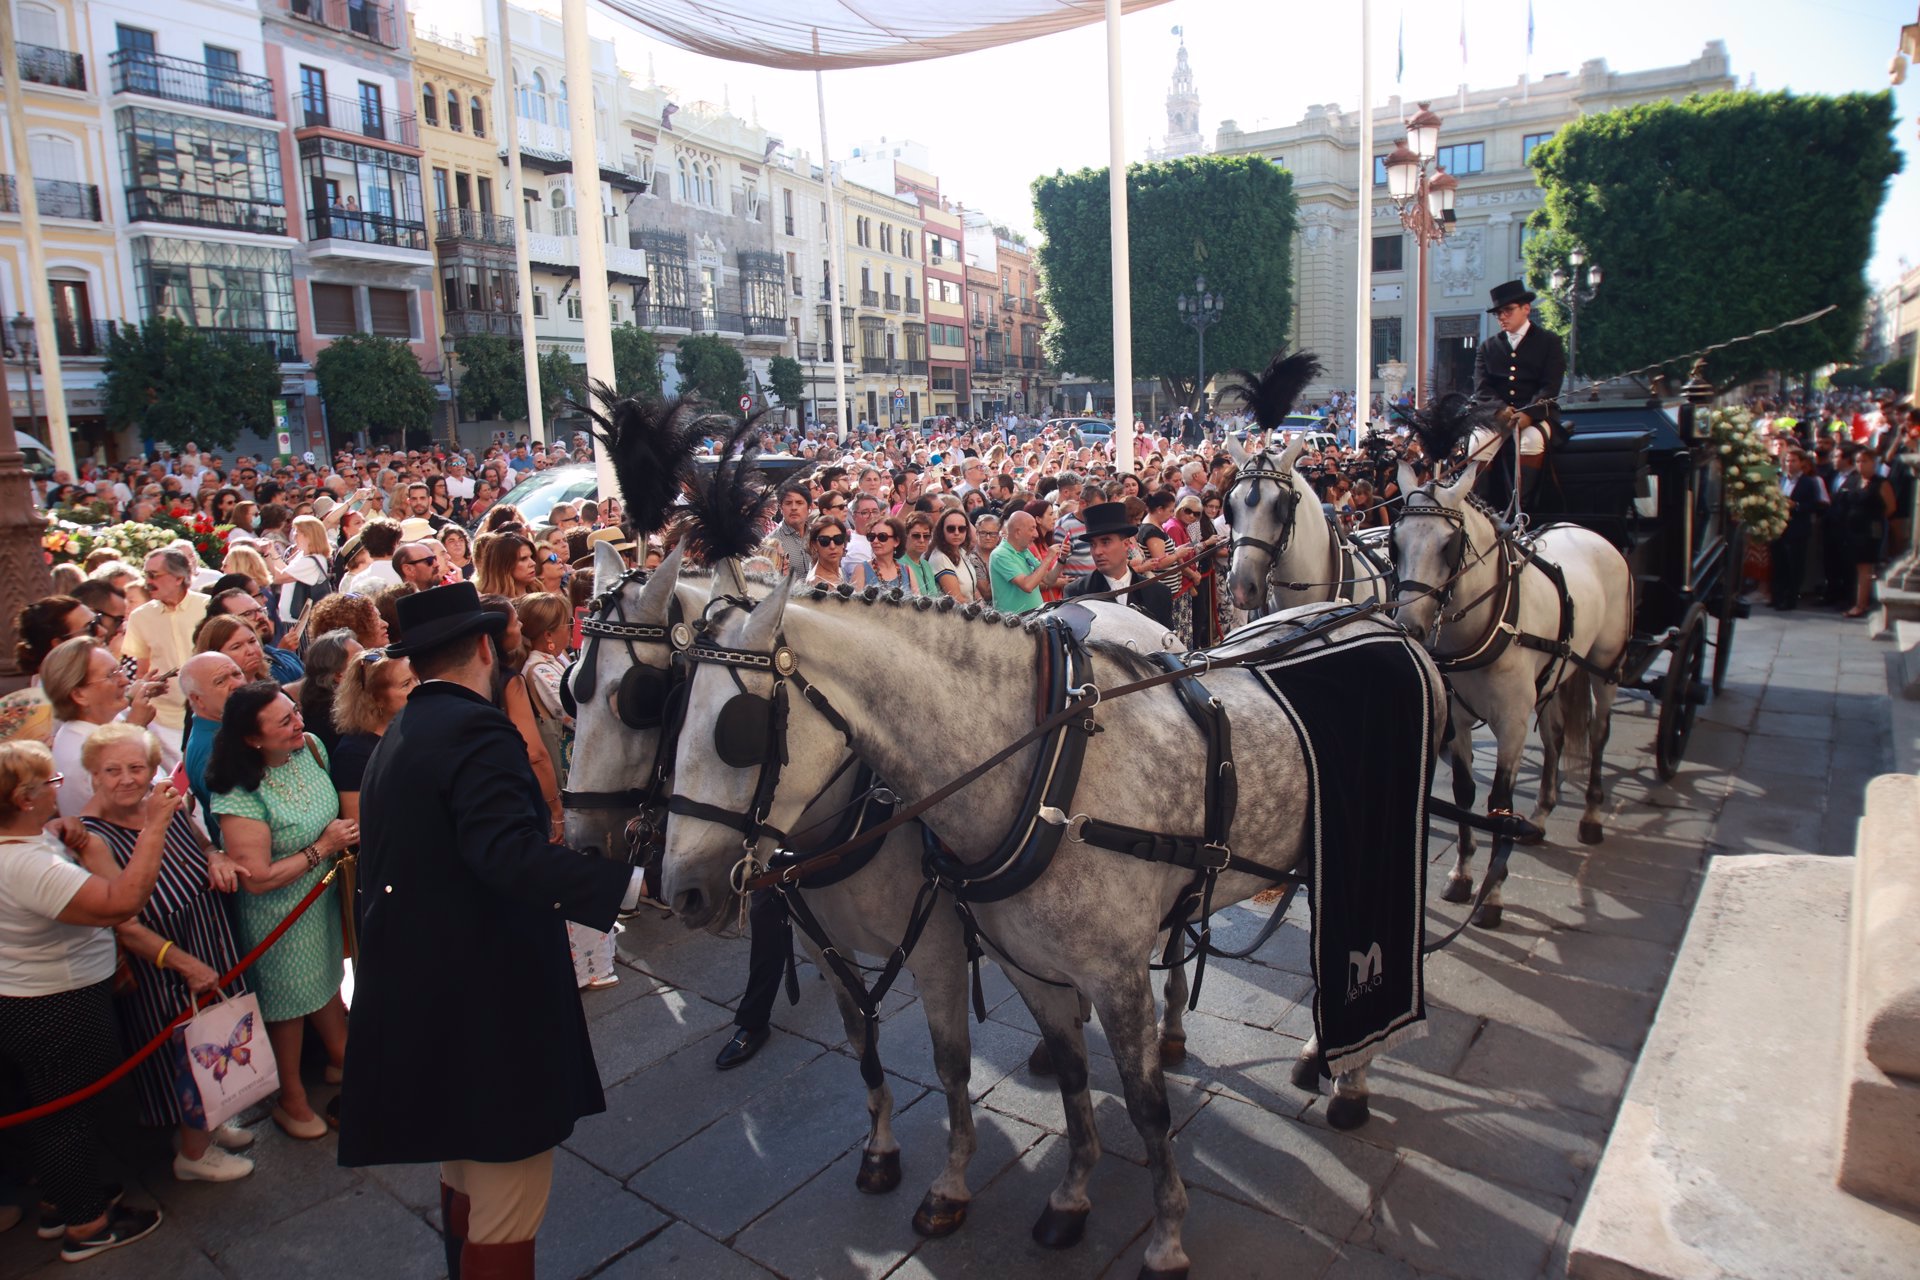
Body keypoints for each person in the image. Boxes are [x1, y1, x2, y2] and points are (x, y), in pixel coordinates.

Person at [341, 583, 647, 1278]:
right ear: (484, 646)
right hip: (486, 1006)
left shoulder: (408, 730)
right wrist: (630, 884)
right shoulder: (475, 729)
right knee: (507, 1197)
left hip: (436, 991)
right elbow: (507, 854)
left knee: (466, 1173)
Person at [0, 740, 176, 1260]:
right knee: (67, 1114)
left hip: (42, 996)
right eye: (52, 785)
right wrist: (157, 824)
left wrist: (56, 832)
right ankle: (86, 1223)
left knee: (56, 1107)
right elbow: (122, 900)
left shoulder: (26, 844)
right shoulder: (27, 866)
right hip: (55, 1003)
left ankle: (65, 1198)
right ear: (25, 798)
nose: (61, 792)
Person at [76, 724, 254, 1183]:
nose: (126, 779)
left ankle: (210, 1125)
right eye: (111, 770)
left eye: (137, 767)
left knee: (217, 1040)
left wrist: (215, 856)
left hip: (206, 933)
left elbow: (204, 843)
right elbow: (125, 925)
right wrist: (183, 962)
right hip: (165, 964)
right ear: (92, 776)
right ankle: (194, 1155)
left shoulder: (162, 802)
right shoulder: (93, 837)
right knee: (184, 1055)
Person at [205, 682, 358, 1141]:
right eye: (285, 722)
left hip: (321, 899)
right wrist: (323, 848)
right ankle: (289, 1098)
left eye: (294, 712)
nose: (299, 723)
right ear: (253, 739)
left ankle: (342, 1058)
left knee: (328, 981)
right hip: (279, 913)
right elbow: (257, 876)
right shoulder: (238, 791)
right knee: (288, 1007)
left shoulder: (309, 749)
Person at [1471, 280, 1566, 512]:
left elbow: (1550, 386)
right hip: (1498, 416)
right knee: (1477, 443)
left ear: (1526, 309)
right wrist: (1500, 410)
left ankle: (1522, 511)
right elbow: (1482, 387)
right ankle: (1481, 510)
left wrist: (1528, 414)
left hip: (1536, 415)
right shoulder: (1488, 347)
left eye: (1508, 310)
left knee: (1530, 441)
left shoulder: (1549, 342)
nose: (1502, 317)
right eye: (1498, 313)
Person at [43, 637, 159, 817]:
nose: (124, 680)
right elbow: (138, 811)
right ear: (79, 695)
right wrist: (136, 727)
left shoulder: (106, 720)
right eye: (112, 675)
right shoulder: (80, 755)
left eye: (121, 669)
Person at [125, 549, 210, 767]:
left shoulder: (208, 606)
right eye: (146, 575)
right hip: (165, 720)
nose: (148, 582)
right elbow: (142, 671)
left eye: (154, 575)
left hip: (210, 712)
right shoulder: (140, 617)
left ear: (179, 578)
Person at [1065, 502, 1175, 628]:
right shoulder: (1078, 593)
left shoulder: (1158, 593)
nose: (1097, 552)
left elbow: (1167, 643)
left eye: (1105, 542)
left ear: (1126, 544)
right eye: (1092, 544)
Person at [1833, 445, 1895, 618]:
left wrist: (1873, 518)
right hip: (1851, 529)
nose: (1861, 465)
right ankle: (1851, 598)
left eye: (1865, 461)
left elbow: (1890, 508)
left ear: (1873, 463)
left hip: (1869, 530)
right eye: (1858, 461)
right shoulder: (1853, 480)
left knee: (1865, 566)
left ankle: (1862, 604)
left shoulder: (1881, 483)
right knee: (1852, 564)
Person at [1771, 449, 1827, 611]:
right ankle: (1778, 596)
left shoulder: (1809, 482)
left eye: (1793, 461)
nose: (1790, 464)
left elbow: (1816, 505)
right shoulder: (1780, 480)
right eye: (1787, 461)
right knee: (1779, 564)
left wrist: (1797, 506)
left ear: (1802, 463)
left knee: (1794, 565)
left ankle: (1791, 598)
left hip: (1797, 528)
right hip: (1780, 527)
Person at [989, 510, 1059, 614]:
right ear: (1018, 532)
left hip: (1033, 619)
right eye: (1032, 529)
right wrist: (1048, 558)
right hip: (1013, 624)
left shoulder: (1025, 551)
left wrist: (1061, 560)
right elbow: (1027, 586)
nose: (1036, 534)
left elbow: (1049, 579)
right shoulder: (1000, 554)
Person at [929, 509, 981, 603]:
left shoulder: (961, 551)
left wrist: (982, 604)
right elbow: (957, 599)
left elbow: (973, 588)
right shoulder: (940, 558)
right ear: (942, 531)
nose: (957, 533)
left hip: (971, 610)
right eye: (951, 529)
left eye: (961, 529)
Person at [473, 531, 538, 599]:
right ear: (503, 565)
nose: (533, 563)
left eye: (531, 557)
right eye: (523, 559)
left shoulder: (541, 594)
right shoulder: (488, 603)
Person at [806, 513, 850, 586]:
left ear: (843, 542)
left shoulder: (840, 572)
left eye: (838, 539)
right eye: (824, 541)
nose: (832, 546)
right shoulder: (815, 583)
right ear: (814, 545)